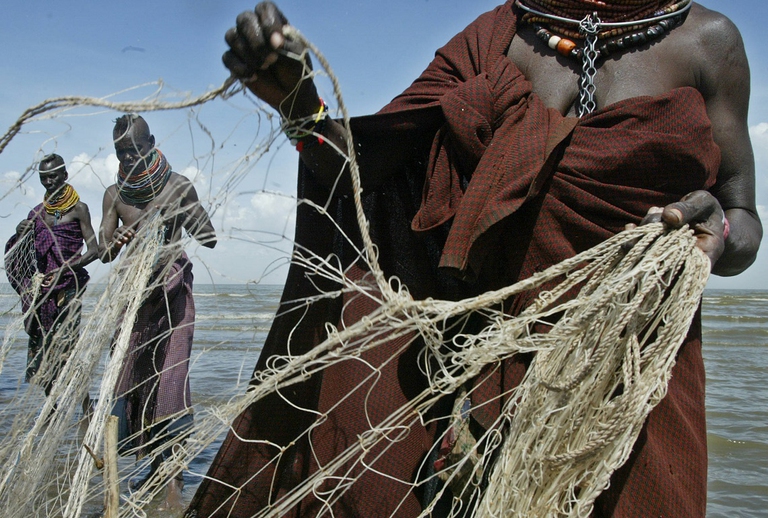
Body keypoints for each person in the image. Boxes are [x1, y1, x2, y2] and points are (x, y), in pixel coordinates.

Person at [187, 1, 762, 517]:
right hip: (469, 385)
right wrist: (297, 103)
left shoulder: (709, 41)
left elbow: (743, 225)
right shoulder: (494, 34)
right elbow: (361, 179)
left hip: (629, 386)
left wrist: (720, 227)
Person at [99, 114, 216, 510]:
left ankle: (175, 481)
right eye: (120, 153)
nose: (128, 158)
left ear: (151, 145)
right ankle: (154, 463)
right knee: (132, 385)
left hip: (173, 296)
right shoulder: (115, 195)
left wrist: (178, 211)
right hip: (134, 301)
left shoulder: (178, 185)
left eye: (134, 150)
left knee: (171, 384)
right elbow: (104, 249)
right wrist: (116, 240)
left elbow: (210, 238)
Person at [4, 153, 98, 414]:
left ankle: (85, 404)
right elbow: (22, 255)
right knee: (44, 348)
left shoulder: (79, 209)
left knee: (69, 346)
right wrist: (20, 233)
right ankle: (52, 406)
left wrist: (65, 269)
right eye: (44, 178)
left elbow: (95, 250)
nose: (49, 182)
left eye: (53, 176)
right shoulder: (37, 213)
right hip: (43, 291)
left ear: (65, 176)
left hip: (68, 287)